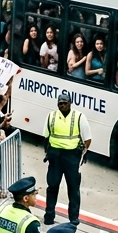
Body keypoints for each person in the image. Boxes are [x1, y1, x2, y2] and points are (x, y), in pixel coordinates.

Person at [44, 90, 90, 225]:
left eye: (64, 103)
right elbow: (46, 136)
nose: (62, 106)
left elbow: (87, 138)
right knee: (52, 186)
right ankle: (49, 216)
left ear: (70, 103)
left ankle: (73, 218)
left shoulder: (79, 117)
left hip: (72, 157)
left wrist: (82, 154)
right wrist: (48, 153)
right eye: (60, 104)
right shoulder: (51, 116)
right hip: (55, 156)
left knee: (73, 188)